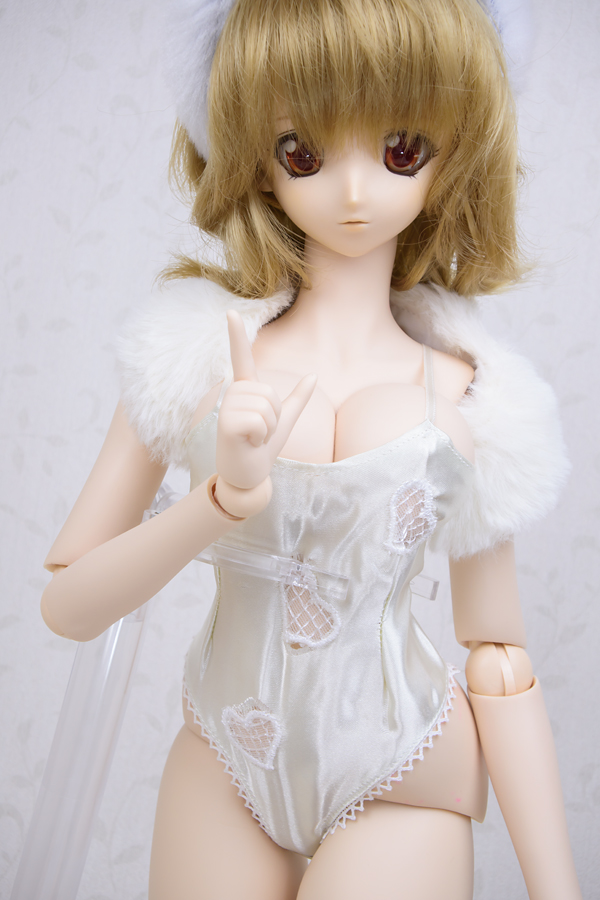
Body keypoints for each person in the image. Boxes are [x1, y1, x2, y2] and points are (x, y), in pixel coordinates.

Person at [40, 0, 582, 897]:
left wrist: (555, 885)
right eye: (305, 152)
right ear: (256, 153)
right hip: (223, 761)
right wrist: (219, 504)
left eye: (401, 148)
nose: (355, 192)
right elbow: (68, 604)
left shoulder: (475, 393)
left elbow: (497, 655)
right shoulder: (189, 357)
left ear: (455, 149)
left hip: (404, 769)